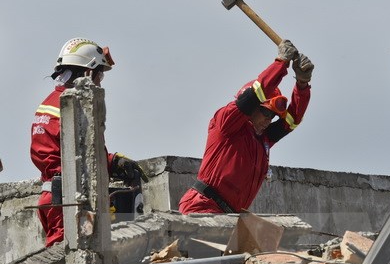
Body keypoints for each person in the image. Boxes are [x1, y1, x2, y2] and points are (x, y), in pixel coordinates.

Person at [31, 38, 148, 247]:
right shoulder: (74, 105)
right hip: (67, 201)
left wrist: (111, 161)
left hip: (54, 197)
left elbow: (69, 151)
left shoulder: (50, 102)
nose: (100, 81)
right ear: (87, 72)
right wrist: (108, 162)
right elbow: (82, 156)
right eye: (100, 74)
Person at [178, 40, 313, 214]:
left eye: (273, 116)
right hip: (202, 207)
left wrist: (302, 85)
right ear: (251, 108)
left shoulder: (262, 139)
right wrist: (281, 63)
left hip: (230, 215)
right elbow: (257, 93)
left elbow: (293, 119)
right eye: (266, 113)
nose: (269, 120)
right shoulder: (226, 123)